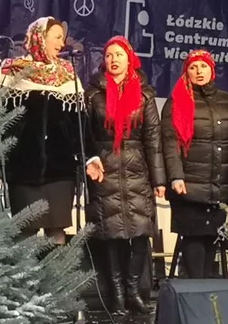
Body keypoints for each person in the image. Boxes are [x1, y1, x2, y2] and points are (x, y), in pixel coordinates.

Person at [84, 36, 166, 313]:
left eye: (119, 55)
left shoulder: (144, 95)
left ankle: (134, 292)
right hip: (103, 170)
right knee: (110, 235)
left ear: (130, 59)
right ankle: (116, 295)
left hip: (137, 169)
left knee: (140, 234)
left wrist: (159, 180)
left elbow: (153, 138)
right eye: (108, 56)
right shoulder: (93, 94)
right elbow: (86, 135)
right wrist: (91, 160)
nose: (114, 60)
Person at [1, 17, 92, 245]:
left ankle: (57, 279)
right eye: (57, 37)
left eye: (62, 38)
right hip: (23, 168)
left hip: (59, 169)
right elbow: (1, 122)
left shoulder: (67, 74)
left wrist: (91, 157)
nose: (62, 44)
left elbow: (80, 123)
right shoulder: (13, 72)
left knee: (56, 231)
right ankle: (25, 280)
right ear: (39, 37)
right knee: (25, 231)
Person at [160, 50, 228, 278]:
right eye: (193, 67)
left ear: (212, 70)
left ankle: (208, 294)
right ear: (186, 72)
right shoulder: (176, 102)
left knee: (212, 238)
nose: (199, 72)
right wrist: (176, 176)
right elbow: (170, 144)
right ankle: (193, 290)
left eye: (204, 67)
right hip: (189, 186)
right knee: (194, 238)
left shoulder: (226, 101)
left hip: (218, 184)